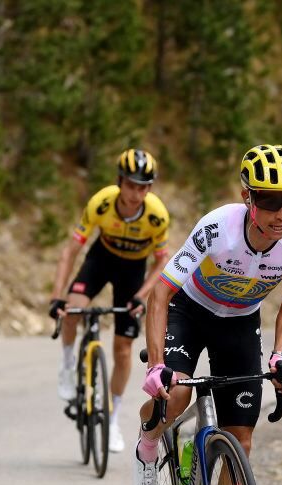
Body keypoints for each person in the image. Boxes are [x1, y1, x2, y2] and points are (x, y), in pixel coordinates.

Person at [137, 143, 282, 485]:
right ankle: (148, 448)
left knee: (242, 437)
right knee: (174, 396)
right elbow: (159, 295)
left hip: (239, 322)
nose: (281, 213)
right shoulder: (217, 228)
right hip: (189, 312)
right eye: (270, 200)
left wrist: (278, 357)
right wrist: (158, 366)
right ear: (247, 197)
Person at [48, 149, 170, 453]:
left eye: (143, 187)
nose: (136, 193)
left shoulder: (156, 216)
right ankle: (66, 364)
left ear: (150, 188)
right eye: (130, 185)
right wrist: (57, 296)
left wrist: (142, 296)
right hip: (101, 260)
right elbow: (71, 251)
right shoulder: (101, 203)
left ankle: (112, 418)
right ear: (119, 182)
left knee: (123, 350)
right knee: (74, 307)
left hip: (133, 271)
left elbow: (162, 262)